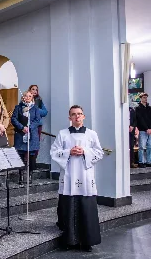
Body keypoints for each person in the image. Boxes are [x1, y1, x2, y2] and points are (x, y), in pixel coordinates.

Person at [50, 105, 103, 252]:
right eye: (74, 114)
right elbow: (54, 152)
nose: (77, 117)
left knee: (86, 207)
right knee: (69, 207)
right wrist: (69, 152)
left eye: (79, 114)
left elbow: (99, 153)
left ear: (84, 116)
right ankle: (69, 240)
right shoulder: (63, 134)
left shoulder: (92, 134)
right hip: (69, 175)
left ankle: (87, 241)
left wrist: (85, 151)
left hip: (85, 177)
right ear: (70, 118)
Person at [11, 91, 40, 184]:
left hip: (32, 135)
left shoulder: (35, 108)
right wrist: (22, 127)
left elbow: (37, 120)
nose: (27, 97)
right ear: (23, 97)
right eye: (25, 96)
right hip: (20, 134)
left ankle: (30, 175)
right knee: (20, 156)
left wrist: (29, 127)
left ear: (32, 98)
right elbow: (13, 119)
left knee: (31, 156)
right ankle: (21, 175)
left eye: (29, 96)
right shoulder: (18, 107)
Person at [28, 85, 48, 159]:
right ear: (29, 90)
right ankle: (26, 163)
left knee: (36, 145)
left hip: (38, 126)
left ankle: (33, 163)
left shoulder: (39, 100)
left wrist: (35, 109)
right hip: (28, 125)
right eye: (33, 89)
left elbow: (45, 112)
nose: (35, 91)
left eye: (36, 90)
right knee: (27, 144)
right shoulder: (25, 99)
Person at [135, 93, 151, 168]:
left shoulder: (149, 108)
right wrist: (146, 128)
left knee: (149, 146)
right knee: (141, 147)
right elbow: (140, 119)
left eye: (146, 97)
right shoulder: (138, 108)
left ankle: (148, 161)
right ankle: (141, 162)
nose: (145, 99)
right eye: (144, 97)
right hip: (142, 130)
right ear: (141, 98)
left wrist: (150, 128)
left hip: (150, 130)